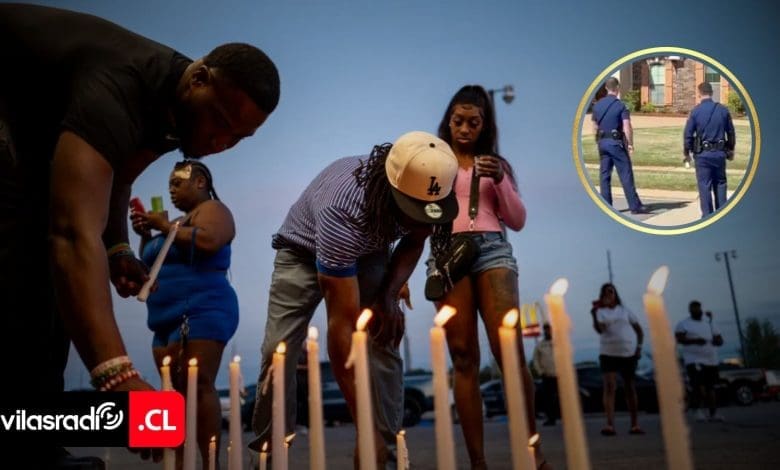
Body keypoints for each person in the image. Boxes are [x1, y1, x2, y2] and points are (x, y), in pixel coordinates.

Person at [0, 4, 279, 467]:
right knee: (27, 249)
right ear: (198, 79)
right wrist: (116, 376)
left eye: (237, 138)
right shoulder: (120, 89)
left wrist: (117, 249)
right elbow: (71, 234)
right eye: (220, 122)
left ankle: (35, 438)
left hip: (30, 121)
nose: (220, 144)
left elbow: (120, 175)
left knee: (50, 281)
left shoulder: (176, 116)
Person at [249, 131, 459, 468]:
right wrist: (364, 427)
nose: (421, 222)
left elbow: (415, 240)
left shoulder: (425, 183)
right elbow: (342, 334)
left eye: (428, 213)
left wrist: (388, 296)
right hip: (302, 252)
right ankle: (268, 454)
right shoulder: (343, 210)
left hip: (370, 247)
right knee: (279, 350)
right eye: (413, 212)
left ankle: (385, 452)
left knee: (383, 331)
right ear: (390, 191)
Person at [429, 85, 551, 470]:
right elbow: (416, 220)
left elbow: (518, 220)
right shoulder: (432, 161)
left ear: (485, 125)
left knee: (509, 352)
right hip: (447, 255)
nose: (465, 129)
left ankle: (532, 455)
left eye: (474, 122)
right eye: (459, 121)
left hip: (492, 250)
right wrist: (400, 276)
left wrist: (499, 178)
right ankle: (478, 462)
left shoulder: (496, 165)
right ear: (448, 121)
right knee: (464, 357)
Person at [131, 160, 238, 467]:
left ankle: (210, 463)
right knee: (172, 391)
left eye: (177, 183)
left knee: (197, 384)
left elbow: (210, 240)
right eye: (169, 186)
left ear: (200, 182)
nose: (171, 190)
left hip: (202, 310)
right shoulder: (178, 222)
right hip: (163, 319)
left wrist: (165, 227)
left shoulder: (214, 210)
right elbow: (153, 263)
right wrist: (146, 234)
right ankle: (178, 463)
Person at [590, 283, 645, 436]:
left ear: (615, 294)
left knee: (630, 387)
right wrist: (594, 315)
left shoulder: (625, 311)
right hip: (608, 353)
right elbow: (600, 330)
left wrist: (639, 347)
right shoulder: (600, 311)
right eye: (605, 292)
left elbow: (639, 331)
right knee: (609, 386)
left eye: (611, 292)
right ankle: (609, 424)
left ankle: (634, 424)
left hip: (628, 353)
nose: (608, 295)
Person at [591, 77, 649, 214]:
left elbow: (594, 126)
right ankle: (635, 206)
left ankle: (606, 205)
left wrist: (598, 140)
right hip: (616, 143)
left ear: (606, 88)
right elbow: (626, 126)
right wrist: (630, 144)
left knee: (605, 175)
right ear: (617, 88)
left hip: (603, 142)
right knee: (625, 173)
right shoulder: (620, 106)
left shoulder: (597, 106)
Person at [683, 82, 736, 218]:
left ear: (699, 94)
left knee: (704, 186)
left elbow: (688, 134)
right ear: (712, 93)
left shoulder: (695, 111)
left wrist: (686, 152)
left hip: (702, 155)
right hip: (719, 153)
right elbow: (731, 133)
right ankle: (721, 215)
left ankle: (707, 216)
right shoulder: (723, 110)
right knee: (720, 184)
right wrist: (730, 149)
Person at [675, 301, 725, 422]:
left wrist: (717, 341)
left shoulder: (709, 323)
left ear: (701, 309)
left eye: (698, 308)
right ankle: (696, 410)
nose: (696, 311)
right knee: (698, 386)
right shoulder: (684, 324)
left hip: (711, 360)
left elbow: (720, 339)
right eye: (693, 309)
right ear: (690, 311)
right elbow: (679, 339)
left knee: (710, 387)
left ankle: (713, 413)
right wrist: (695, 341)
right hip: (694, 360)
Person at [532, 324, 559, 426]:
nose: (548, 331)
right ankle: (551, 418)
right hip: (547, 375)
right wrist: (540, 372)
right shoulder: (540, 345)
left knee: (561, 397)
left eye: (549, 329)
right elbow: (536, 360)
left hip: (559, 374)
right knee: (548, 398)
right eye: (546, 330)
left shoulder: (558, 342)